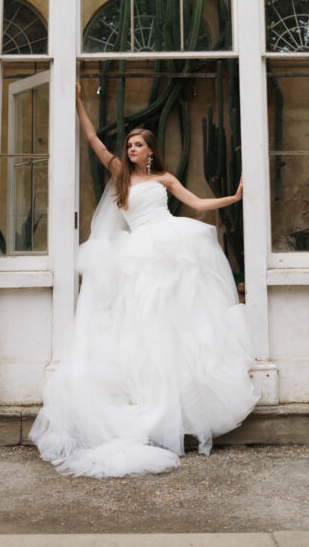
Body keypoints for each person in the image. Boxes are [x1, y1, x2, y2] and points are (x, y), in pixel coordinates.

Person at [28, 81, 259, 478]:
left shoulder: (165, 179)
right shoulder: (121, 177)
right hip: (138, 254)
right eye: (129, 145)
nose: (131, 149)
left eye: (138, 145)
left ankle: (183, 407)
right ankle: (147, 404)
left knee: (179, 323)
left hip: (170, 244)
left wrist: (233, 200)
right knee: (142, 326)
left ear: (150, 150)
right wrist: (79, 104)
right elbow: (94, 142)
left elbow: (197, 203)